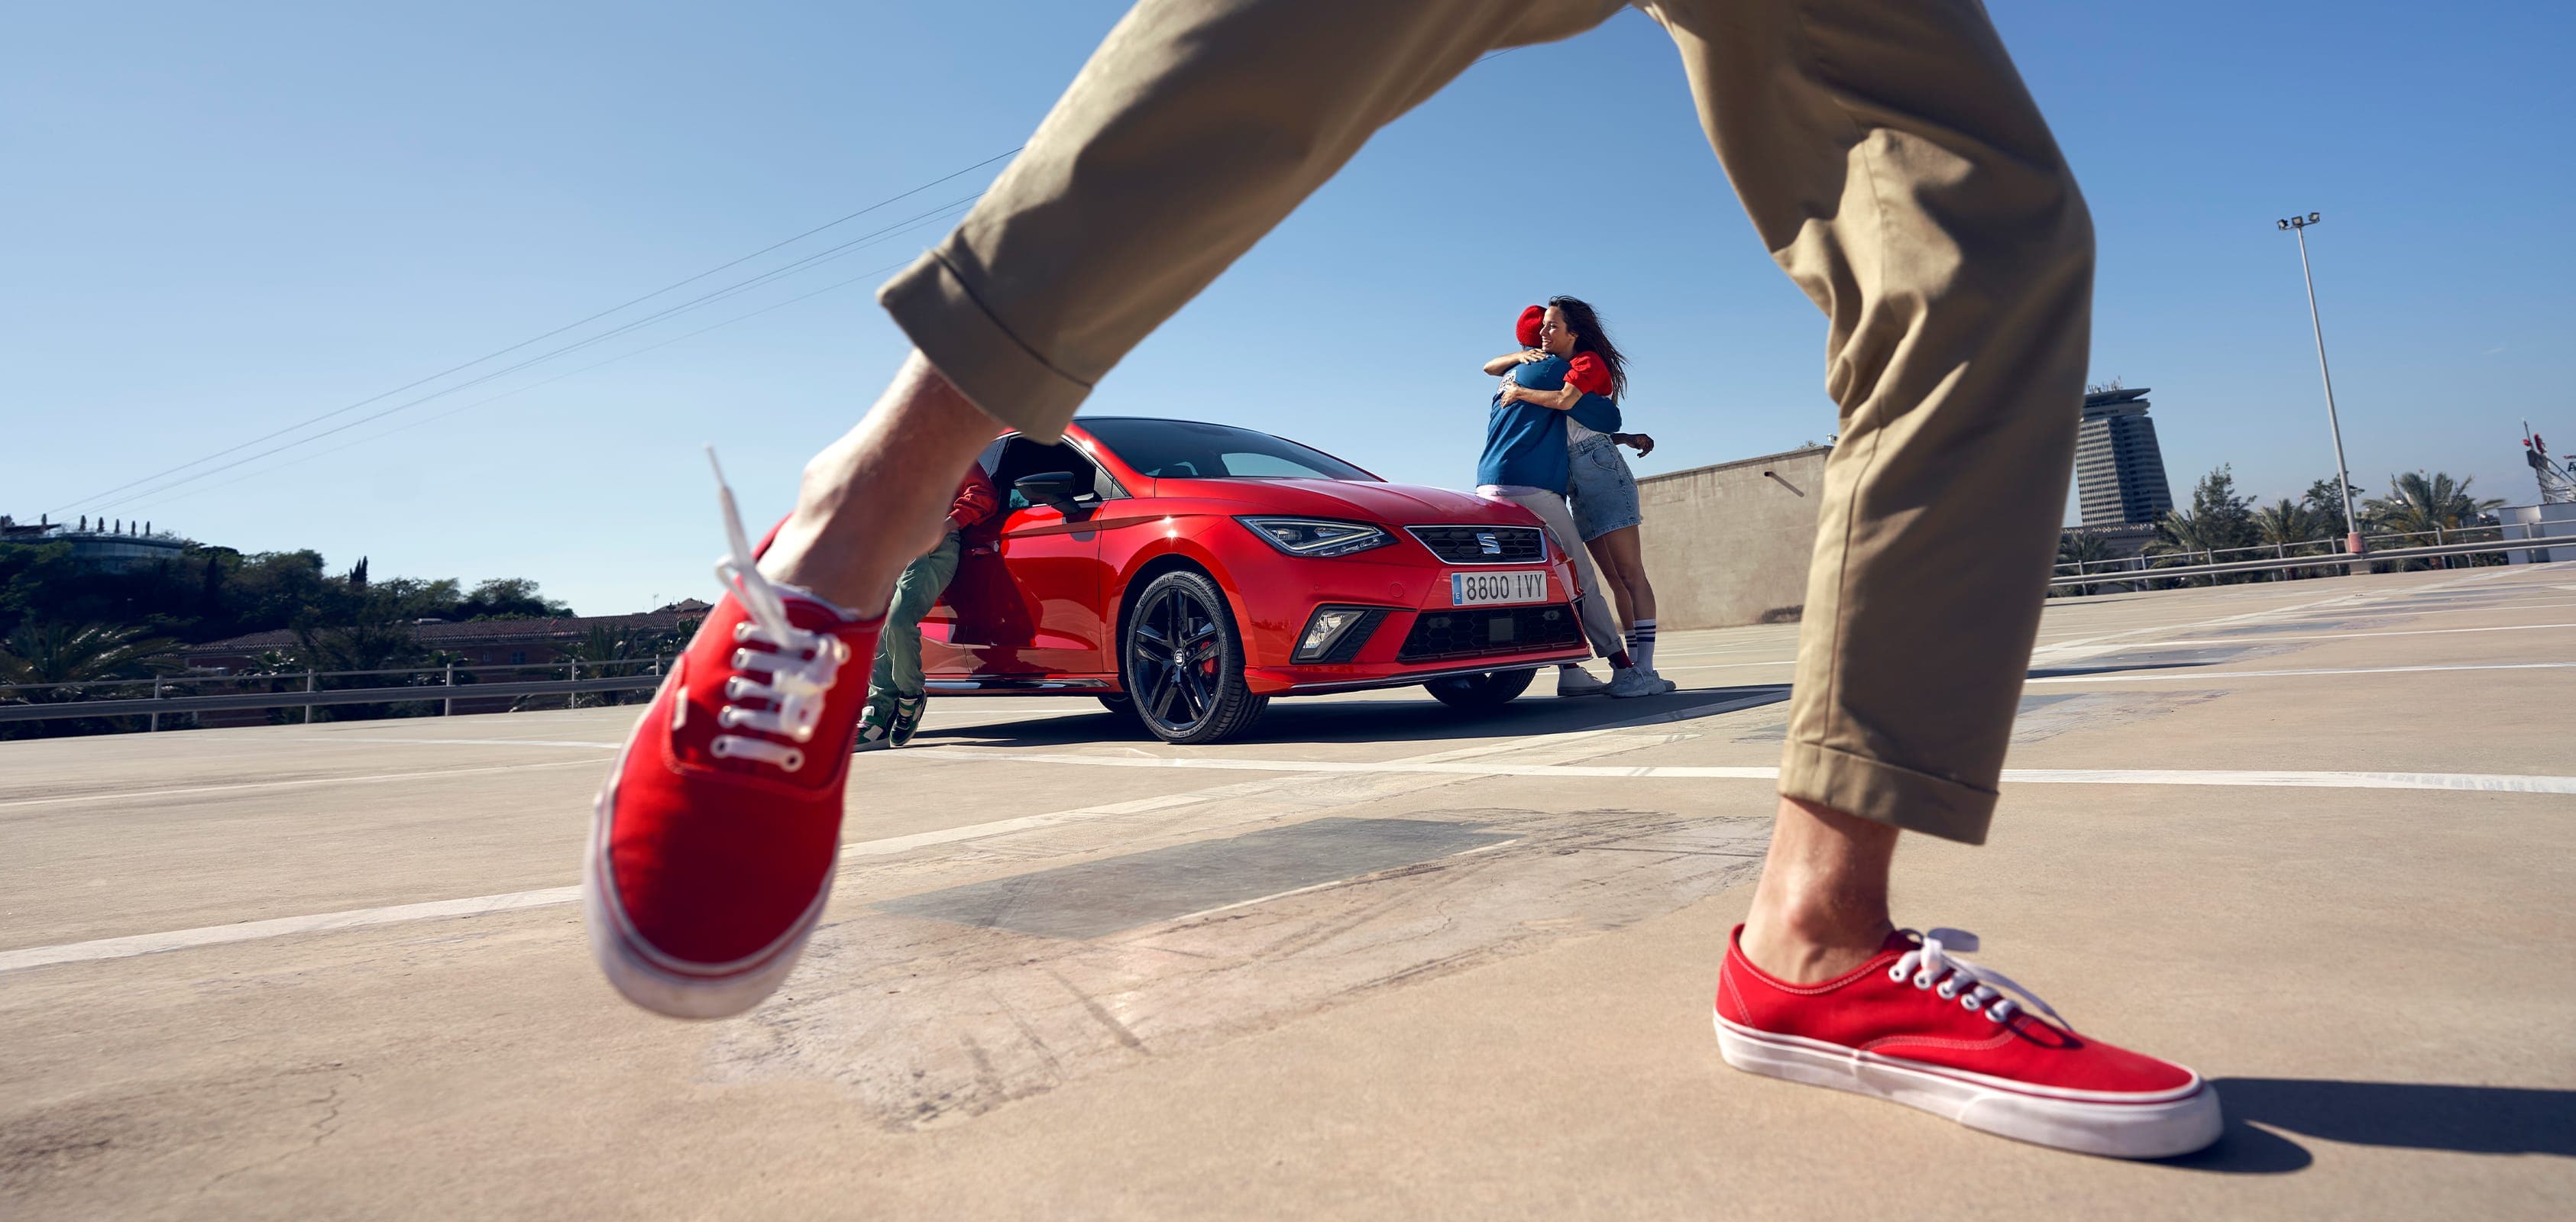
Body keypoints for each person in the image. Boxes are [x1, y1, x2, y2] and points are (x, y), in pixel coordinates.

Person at [586, 0, 2221, 1159]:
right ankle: (857, 520)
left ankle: (1817, 936)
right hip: (1060, 510)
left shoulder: (1490, 418)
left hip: (1484, 502)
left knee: (1990, 237)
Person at [1484, 298, 1674, 692]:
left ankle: (1640, 668)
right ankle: (1600, 669)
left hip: (1595, 471)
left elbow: (1593, 414)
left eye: (1552, 326)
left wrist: (1519, 390)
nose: (1543, 333)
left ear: (1574, 332)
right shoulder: (1543, 367)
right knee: (1602, 580)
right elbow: (1592, 422)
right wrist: (1519, 360)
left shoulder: (1573, 367)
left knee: (1623, 574)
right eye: (1541, 328)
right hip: (1570, 476)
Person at [855, 464, 998, 748]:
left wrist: (946, 525)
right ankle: (877, 716)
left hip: (930, 543)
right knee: (875, 627)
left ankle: (910, 696)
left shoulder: (949, 448)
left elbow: (983, 493)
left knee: (898, 621)